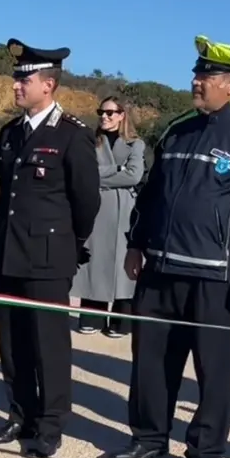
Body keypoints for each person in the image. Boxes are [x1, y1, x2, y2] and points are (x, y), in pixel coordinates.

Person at [114, 35, 230, 458]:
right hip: (161, 269)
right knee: (151, 360)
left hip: (218, 277)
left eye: (206, 76)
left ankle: (204, 453)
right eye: (197, 74)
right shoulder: (177, 128)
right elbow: (150, 194)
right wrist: (136, 243)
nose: (196, 82)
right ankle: (149, 435)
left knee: (214, 370)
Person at [0, 38, 101, 458]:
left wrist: (70, 242)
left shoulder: (71, 136)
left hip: (48, 258)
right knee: (12, 342)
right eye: (16, 78)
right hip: (9, 253)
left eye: (24, 79)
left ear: (48, 85)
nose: (16, 86)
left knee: (48, 343)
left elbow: (87, 202)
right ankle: (20, 413)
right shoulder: (12, 133)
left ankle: (50, 424)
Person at [72, 95, 146, 337]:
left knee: (123, 266)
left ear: (122, 115)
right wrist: (117, 170)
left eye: (110, 112)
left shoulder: (136, 144)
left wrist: (101, 175)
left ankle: (121, 320)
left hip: (124, 210)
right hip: (96, 207)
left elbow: (135, 175)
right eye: (101, 112)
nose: (104, 116)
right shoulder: (90, 141)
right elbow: (83, 172)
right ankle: (91, 315)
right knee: (95, 260)